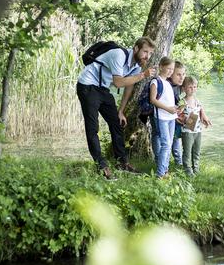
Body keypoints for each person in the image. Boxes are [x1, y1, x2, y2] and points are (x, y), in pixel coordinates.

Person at [76, 36, 156, 179]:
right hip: (87, 86)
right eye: (145, 52)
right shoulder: (119, 55)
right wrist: (143, 75)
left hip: (102, 89)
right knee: (93, 128)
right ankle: (101, 166)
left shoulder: (135, 66)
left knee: (117, 123)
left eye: (150, 54)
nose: (147, 56)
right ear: (136, 48)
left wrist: (121, 111)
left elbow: (128, 87)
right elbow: (119, 83)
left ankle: (122, 163)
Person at [150, 60, 186, 165]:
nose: (182, 77)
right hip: (159, 115)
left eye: (183, 74)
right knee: (158, 136)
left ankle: (175, 162)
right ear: (171, 73)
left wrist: (180, 110)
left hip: (170, 115)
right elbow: (155, 100)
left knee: (172, 139)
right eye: (178, 74)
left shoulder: (179, 86)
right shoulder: (163, 83)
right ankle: (159, 162)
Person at [149, 57, 179, 178]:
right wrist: (168, 109)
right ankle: (160, 174)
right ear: (161, 67)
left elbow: (167, 101)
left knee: (169, 143)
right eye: (168, 68)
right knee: (166, 144)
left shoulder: (168, 83)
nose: (171, 71)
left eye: (172, 69)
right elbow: (153, 100)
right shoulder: (156, 82)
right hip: (161, 117)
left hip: (171, 117)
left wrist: (176, 109)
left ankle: (165, 170)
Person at [180, 76, 212, 176]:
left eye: (195, 87)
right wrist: (184, 118)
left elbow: (201, 109)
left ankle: (196, 168)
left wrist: (205, 117)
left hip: (198, 130)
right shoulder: (182, 101)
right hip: (187, 131)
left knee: (197, 150)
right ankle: (187, 169)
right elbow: (178, 114)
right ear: (184, 88)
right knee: (187, 151)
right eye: (190, 87)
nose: (193, 89)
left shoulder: (197, 100)